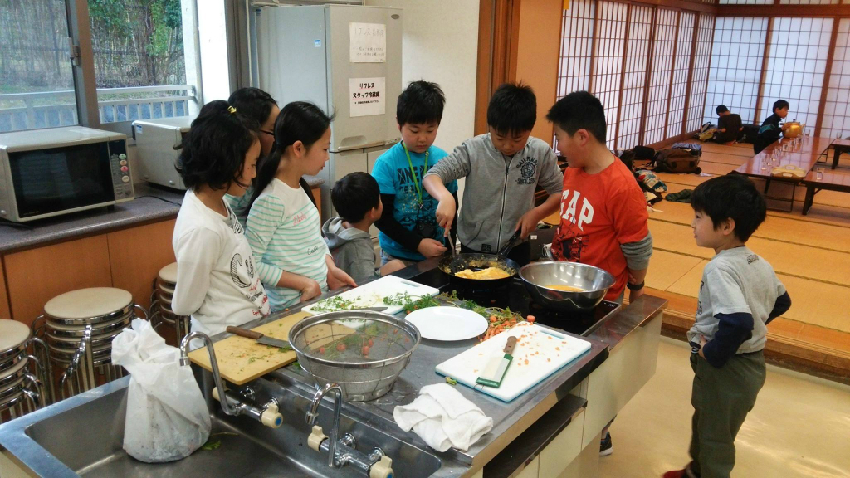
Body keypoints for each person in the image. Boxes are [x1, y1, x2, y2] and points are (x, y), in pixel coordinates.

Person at [546, 90, 653, 455]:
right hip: (563, 285)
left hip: (601, 296)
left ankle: (601, 430)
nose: (557, 145)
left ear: (582, 136)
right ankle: (566, 420)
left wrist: (637, 289)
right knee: (564, 358)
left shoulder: (622, 185)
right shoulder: (575, 169)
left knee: (598, 364)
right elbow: (566, 201)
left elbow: (638, 246)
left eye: (559, 136)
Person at [665, 173, 791, 478]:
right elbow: (782, 300)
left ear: (726, 226)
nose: (692, 224)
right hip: (749, 364)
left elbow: (737, 321)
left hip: (728, 369)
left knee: (716, 439)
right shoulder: (755, 261)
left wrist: (715, 353)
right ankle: (695, 471)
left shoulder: (720, 267)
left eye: (698, 217)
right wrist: (756, 327)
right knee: (709, 422)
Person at [423, 83, 563, 265]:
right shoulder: (473, 150)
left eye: (517, 139)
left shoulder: (539, 153)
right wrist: (444, 197)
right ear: (490, 126)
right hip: (473, 247)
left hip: (516, 245)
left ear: (530, 129)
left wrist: (536, 214)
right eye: (499, 137)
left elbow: (561, 192)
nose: (507, 145)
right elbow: (432, 176)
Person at [171, 101, 270, 337]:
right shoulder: (203, 229)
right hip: (224, 342)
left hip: (248, 329)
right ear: (226, 163)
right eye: (252, 165)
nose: (255, 174)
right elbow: (184, 304)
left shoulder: (218, 201)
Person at [246, 102, 355, 311]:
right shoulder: (271, 201)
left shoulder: (300, 188)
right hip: (291, 307)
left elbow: (314, 240)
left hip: (316, 299)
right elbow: (251, 265)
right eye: (324, 149)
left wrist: (330, 268)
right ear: (298, 148)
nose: (326, 156)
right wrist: (304, 283)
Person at [371, 80, 457, 264]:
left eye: (430, 130)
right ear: (399, 124)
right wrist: (417, 244)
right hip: (398, 256)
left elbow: (452, 211)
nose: (422, 138)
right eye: (414, 130)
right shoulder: (386, 164)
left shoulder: (444, 160)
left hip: (437, 253)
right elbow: (382, 219)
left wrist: (450, 251)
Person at [225, 87, 317, 226]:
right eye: (273, 130)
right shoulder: (238, 183)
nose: (280, 137)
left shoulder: (279, 170)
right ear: (250, 131)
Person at [323, 173, 407, 284]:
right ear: (372, 212)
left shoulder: (335, 226)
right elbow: (365, 287)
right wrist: (383, 272)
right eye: (380, 198)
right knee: (397, 266)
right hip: (348, 294)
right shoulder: (359, 249)